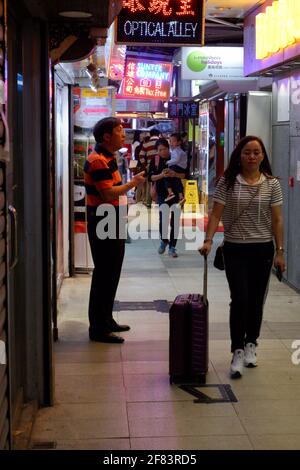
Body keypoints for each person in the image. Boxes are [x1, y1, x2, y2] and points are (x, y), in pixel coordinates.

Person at [199, 135, 285, 378]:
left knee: (257, 301)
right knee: (240, 300)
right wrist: (208, 240)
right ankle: (236, 349)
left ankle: (251, 344)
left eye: (257, 152)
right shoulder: (228, 182)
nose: (252, 157)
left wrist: (280, 252)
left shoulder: (272, 184)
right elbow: (216, 215)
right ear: (239, 155)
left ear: (263, 156)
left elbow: (277, 219)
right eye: (247, 152)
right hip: (235, 248)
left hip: (263, 249)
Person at [84, 117, 145, 343]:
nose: (124, 134)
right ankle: (98, 328)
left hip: (110, 218)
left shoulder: (109, 157)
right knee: (104, 273)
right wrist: (133, 183)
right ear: (106, 136)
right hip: (103, 219)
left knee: (112, 272)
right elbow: (107, 194)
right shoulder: (98, 160)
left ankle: (106, 319)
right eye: (119, 131)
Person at [149, 138, 186, 258]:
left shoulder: (176, 158)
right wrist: (161, 175)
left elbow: (186, 175)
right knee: (163, 220)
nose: (163, 152)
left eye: (164, 149)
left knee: (175, 221)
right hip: (162, 194)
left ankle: (172, 247)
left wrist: (174, 174)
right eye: (160, 150)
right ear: (157, 151)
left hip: (177, 194)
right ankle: (164, 241)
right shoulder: (155, 160)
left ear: (168, 147)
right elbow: (150, 178)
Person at [139, 128, 160, 207]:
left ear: (150, 135)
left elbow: (141, 155)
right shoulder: (162, 142)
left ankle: (148, 202)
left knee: (149, 184)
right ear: (158, 134)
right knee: (161, 182)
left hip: (149, 166)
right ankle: (160, 201)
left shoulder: (146, 144)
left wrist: (145, 165)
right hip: (161, 165)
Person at [164, 133, 187, 205]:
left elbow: (176, 160)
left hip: (178, 167)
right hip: (179, 167)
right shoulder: (176, 150)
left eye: (173, 141)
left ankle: (170, 193)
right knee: (176, 180)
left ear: (179, 142)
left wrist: (168, 162)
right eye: (170, 141)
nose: (171, 143)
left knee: (166, 176)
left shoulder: (177, 151)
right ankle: (180, 196)